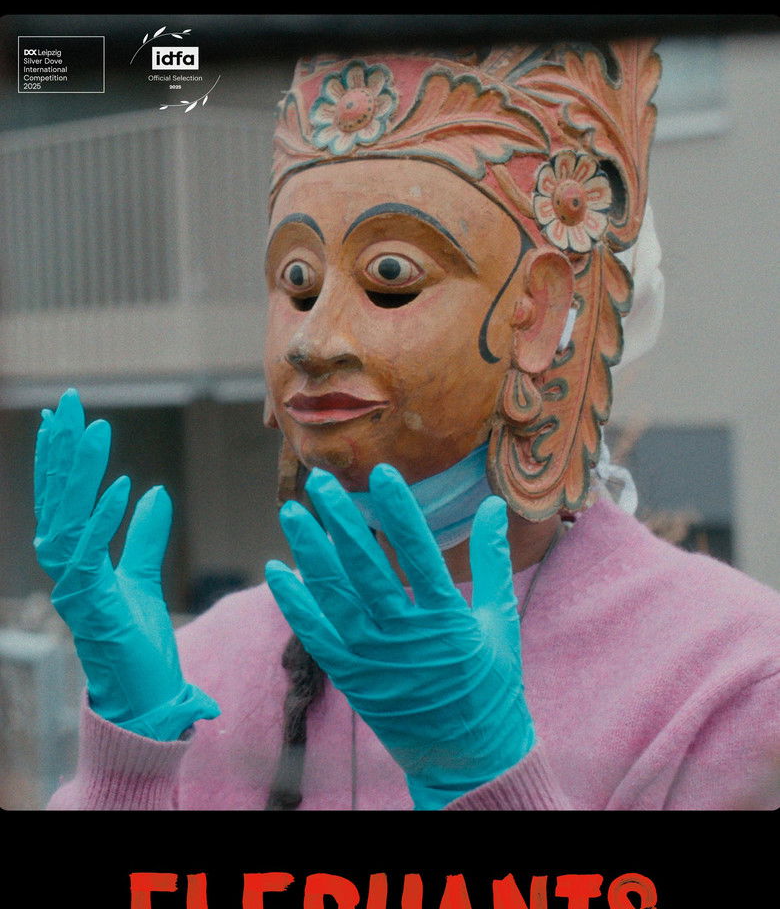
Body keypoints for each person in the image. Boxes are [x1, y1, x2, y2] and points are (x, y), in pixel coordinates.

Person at [38, 41, 780, 812]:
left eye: (390, 278)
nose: (312, 342)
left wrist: (487, 783)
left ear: (540, 314)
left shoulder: (731, 679)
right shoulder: (204, 669)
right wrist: (127, 770)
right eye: (297, 284)